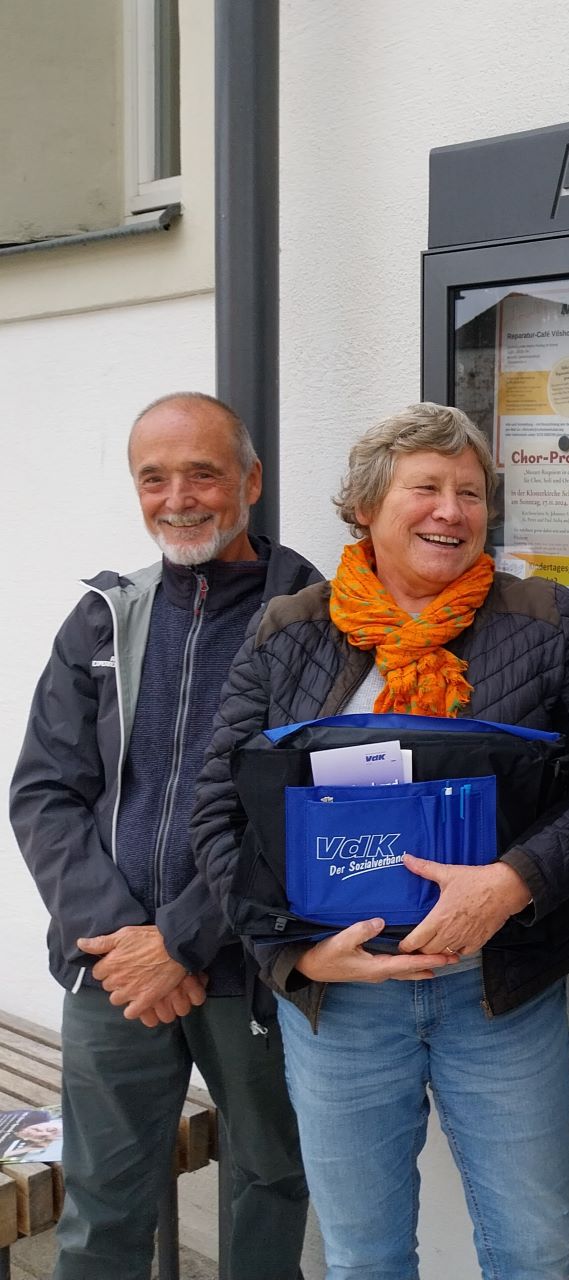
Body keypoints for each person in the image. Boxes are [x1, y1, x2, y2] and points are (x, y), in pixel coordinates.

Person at [191, 403, 569, 1279]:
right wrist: (294, 957)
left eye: (470, 493)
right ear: (365, 505)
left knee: (533, 1251)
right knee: (364, 1258)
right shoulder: (291, 629)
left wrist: (510, 884)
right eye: (426, 488)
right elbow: (221, 807)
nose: (452, 511)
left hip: (497, 995)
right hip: (340, 1007)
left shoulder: (543, 617)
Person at [10, 391, 314, 1280]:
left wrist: (179, 940)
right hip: (112, 971)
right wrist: (121, 942)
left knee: (270, 1183)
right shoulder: (105, 617)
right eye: (155, 477)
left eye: (203, 473)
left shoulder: (315, 619)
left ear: (251, 481)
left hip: (249, 965)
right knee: (101, 1206)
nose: (178, 497)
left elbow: (300, 809)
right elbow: (45, 793)